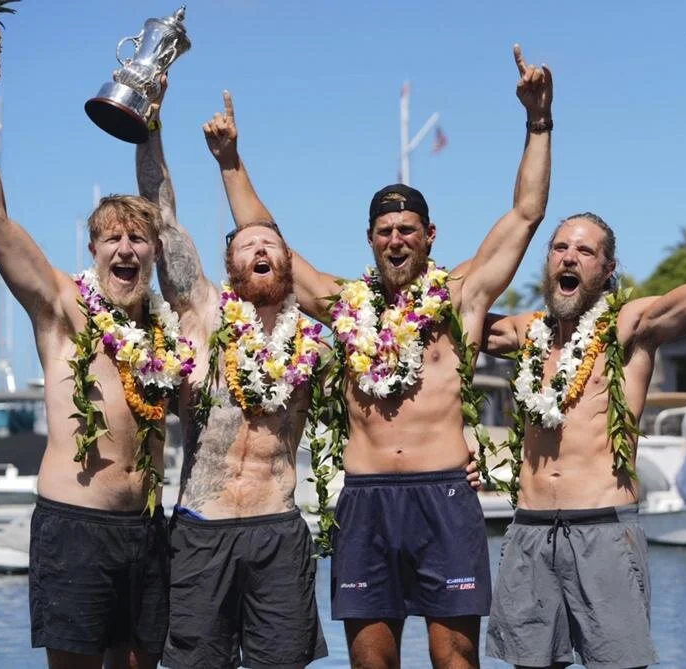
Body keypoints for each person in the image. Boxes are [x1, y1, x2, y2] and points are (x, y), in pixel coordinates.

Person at [212, 44, 553, 668]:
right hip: (364, 500)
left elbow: (526, 215)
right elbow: (271, 244)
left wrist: (538, 123)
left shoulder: (461, 297)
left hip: (444, 496)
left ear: (429, 236)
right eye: (385, 231)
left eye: (407, 230)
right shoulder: (343, 303)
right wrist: (231, 162)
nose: (396, 240)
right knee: (373, 663)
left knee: (456, 661)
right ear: (370, 240)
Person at [482, 152, 686, 667]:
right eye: (560, 247)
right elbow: (458, 313)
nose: (569, 257)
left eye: (585, 251)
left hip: (603, 528)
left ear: (607, 270)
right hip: (531, 530)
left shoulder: (629, 326)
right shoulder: (524, 331)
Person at [0, 50, 178, 668]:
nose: (126, 249)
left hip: (148, 529)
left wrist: (151, 119)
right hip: (76, 526)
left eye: (138, 239)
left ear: (154, 253)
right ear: (94, 250)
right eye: (113, 238)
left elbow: (170, 214)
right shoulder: (63, 311)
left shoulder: (165, 331)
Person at [135, 81, 328, 668]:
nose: (260, 248)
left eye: (270, 242)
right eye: (248, 244)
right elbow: (163, 221)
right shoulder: (205, 314)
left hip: (279, 528)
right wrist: (150, 123)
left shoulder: (317, 342)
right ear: (230, 265)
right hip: (202, 526)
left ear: (289, 264)